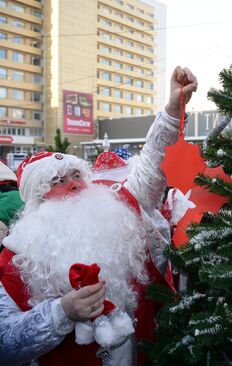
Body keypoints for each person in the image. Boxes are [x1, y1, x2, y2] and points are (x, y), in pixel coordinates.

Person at [0, 66, 197, 365]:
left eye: (77, 174)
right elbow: (5, 343)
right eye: (58, 182)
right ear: (38, 200)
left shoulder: (115, 211)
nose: (75, 184)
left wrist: (172, 110)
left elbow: (151, 165)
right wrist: (61, 312)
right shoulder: (15, 258)